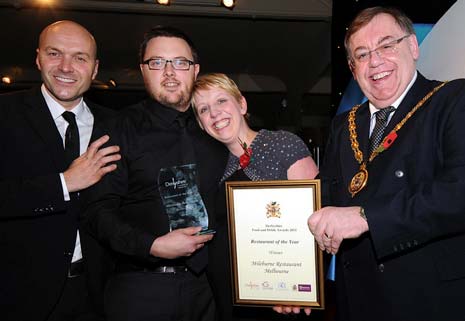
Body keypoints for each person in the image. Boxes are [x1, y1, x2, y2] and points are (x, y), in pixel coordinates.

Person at [307, 6, 465, 321]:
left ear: (413, 46)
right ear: (353, 69)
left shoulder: (452, 100)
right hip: (357, 300)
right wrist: (290, 281)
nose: (375, 61)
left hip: (428, 299)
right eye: (362, 54)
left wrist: (368, 217)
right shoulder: (343, 125)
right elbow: (323, 200)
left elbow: (458, 193)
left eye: (386, 45)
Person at [83, 27, 228, 321]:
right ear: (143, 70)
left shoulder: (215, 130)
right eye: (158, 62)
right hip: (140, 289)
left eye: (180, 62)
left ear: (195, 70)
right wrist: (151, 245)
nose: (170, 72)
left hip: (210, 291)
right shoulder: (117, 129)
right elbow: (97, 210)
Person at [0, 21, 121, 321]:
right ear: (39, 58)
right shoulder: (5, 114)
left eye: (80, 57)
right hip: (18, 295)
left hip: (97, 295)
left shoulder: (116, 125)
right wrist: (64, 183)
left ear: (94, 69)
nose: (66, 66)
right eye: (55, 54)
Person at [191, 73, 319, 320]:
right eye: (204, 109)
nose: (215, 113)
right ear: (200, 123)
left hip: (279, 295)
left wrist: (298, 286)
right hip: (226, 295)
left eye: (221, 101)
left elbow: (317, 218)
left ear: (242, 105)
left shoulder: (283, 144)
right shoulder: (209, 164)